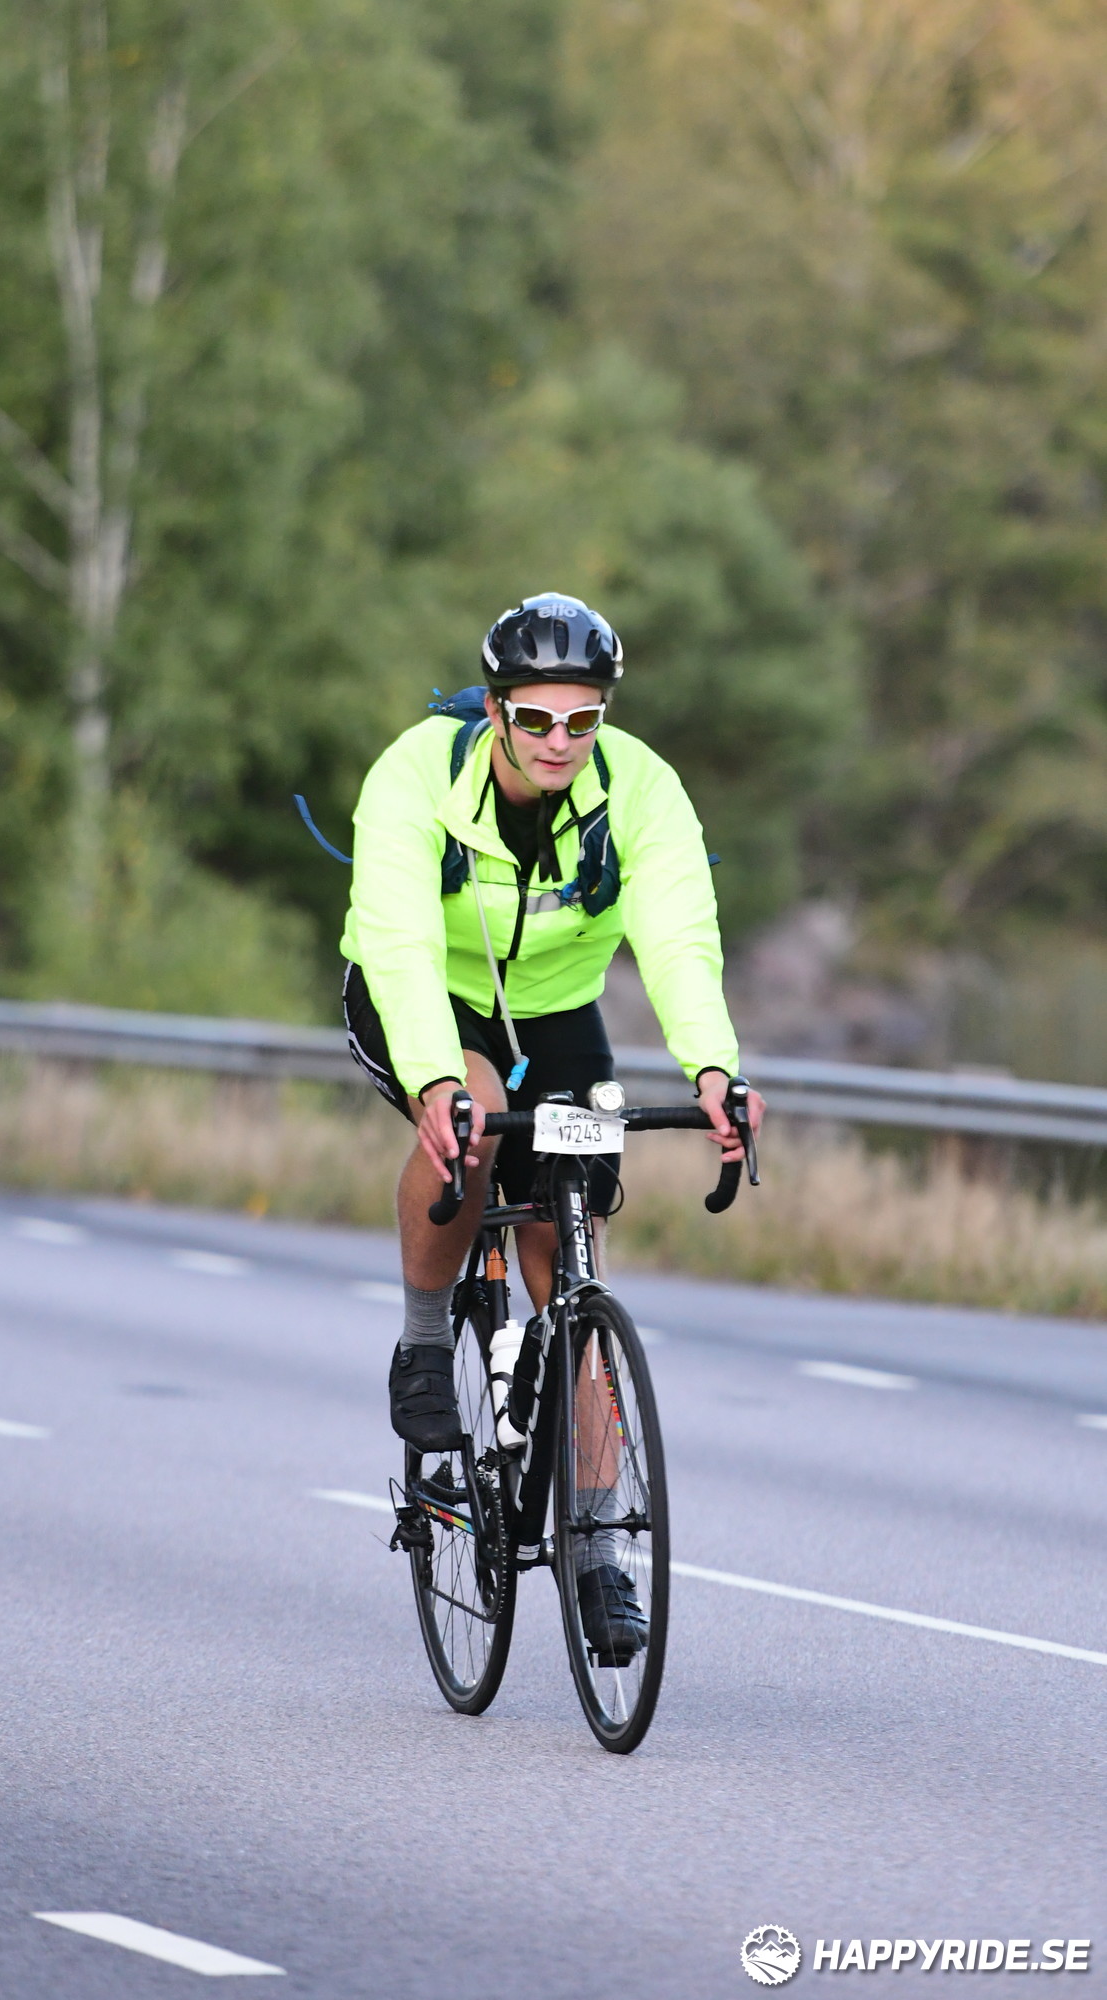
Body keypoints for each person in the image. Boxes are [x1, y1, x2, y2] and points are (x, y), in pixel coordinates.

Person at [341, 591, 764, 1651]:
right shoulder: (413, 776)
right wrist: (433, 1083)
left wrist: (713, 1067)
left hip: (556, 1010)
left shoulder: (641, 788)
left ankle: (598, 1549)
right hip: (423, 995)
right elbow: (396, 941)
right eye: (536, 717)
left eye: (583, 719)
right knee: (477, 1115)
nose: (560, 740)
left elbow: (677, 935)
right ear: (494, 709)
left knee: (568, 1256)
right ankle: (425, 1343)